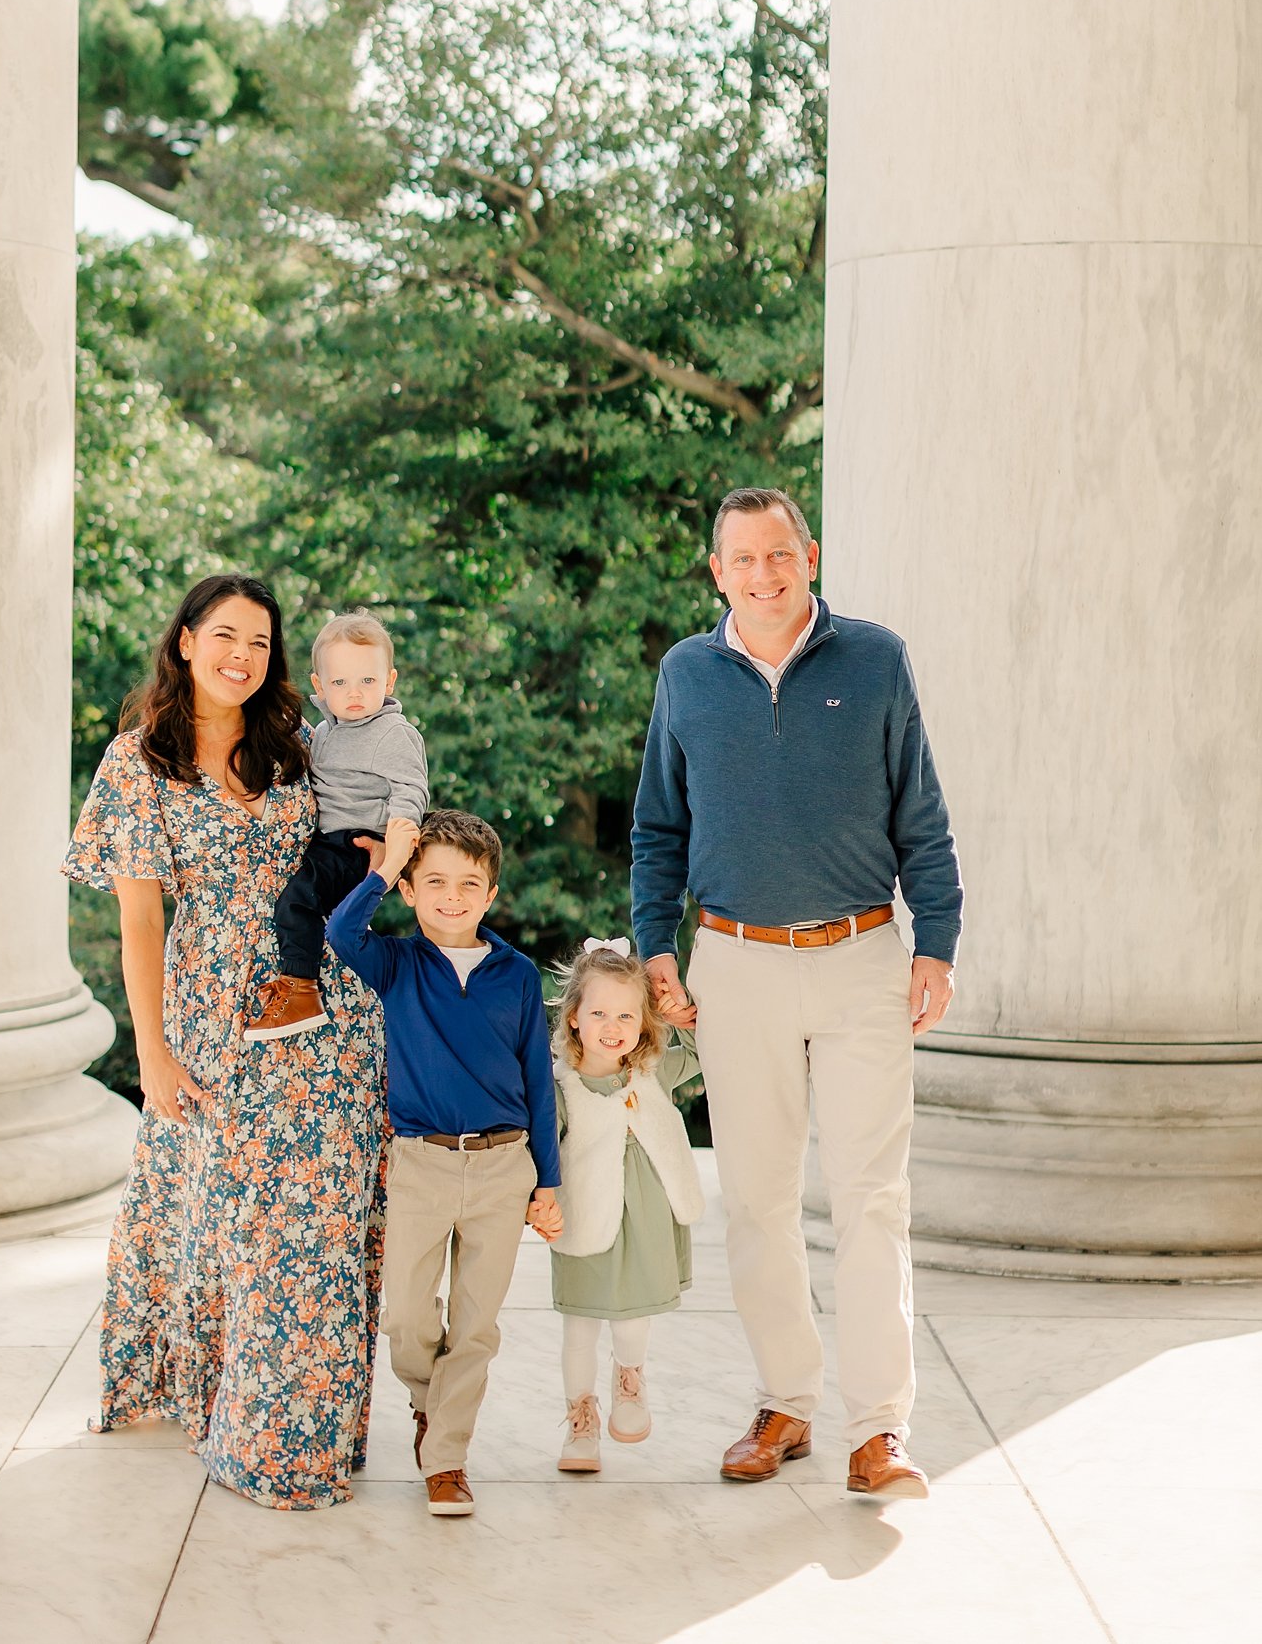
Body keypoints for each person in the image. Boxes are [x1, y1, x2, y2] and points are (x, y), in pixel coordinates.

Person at [631, 487, 962, 1500]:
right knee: (762, 1201)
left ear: (807, 556)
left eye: (780, 555)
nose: (764, 574)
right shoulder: (686, 674)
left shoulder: (875, 660)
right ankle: (786, 1403)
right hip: (734, 962)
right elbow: (658, 829)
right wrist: (656, 949)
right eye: (743, 560)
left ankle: (880, 1430)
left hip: (863, 952)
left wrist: (935, 942)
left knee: (871, 1199)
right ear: (717, 572)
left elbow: (924, 815)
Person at [62, 573, 388, 1510]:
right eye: (226, 636)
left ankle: (303, 1436)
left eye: (260, 642)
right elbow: (140, 924)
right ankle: (226, 1408)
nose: (243, 656)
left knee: (314, 1224)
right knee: (232, 1223)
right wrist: (152, 1054)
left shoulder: (301, 748)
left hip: (321, 1005)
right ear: (186, 641)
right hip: (209, 1011)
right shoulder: (137, 763)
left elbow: (360, 839)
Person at [327, 809, 563, 1517]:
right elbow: (340, 935)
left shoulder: (516, 976)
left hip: (503, 1166)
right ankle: (433, 1406)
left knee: (476, 1323)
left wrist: (547, 1180)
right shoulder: (396, 963)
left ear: (491, 894)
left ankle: (447, 1459)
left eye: (469, 883)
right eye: (433, 881)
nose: (451, 896)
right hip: (423, 1164)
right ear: (409, 888)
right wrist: (384, 866)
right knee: (407, 1318)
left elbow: (539, 1082)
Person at [546, 937, 706, 1475]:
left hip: (647, 1214)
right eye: (598, 1013)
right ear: (573, 1018)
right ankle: (579, 1419)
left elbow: (708, 1047)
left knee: (635, 1312)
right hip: (587, 1215)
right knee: (579, 1326)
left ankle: (630, 1377)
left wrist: (674, 1008)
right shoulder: (560, 1085)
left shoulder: (653, 1068)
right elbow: (542, 1152)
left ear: (642, 1022)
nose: (612, 1026)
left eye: (626, 1014)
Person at [245, 611, 429, 1040]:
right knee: (311, 906)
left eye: (368, 681)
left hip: (360, 842)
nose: (354, 694)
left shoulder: (392, 732)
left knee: (297, 900)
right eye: (340, 683)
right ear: (320, 687)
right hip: (329, 840)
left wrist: (399, 841)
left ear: (390, 681)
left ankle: (300, 988)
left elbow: (410, 787)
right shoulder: (326, 733)